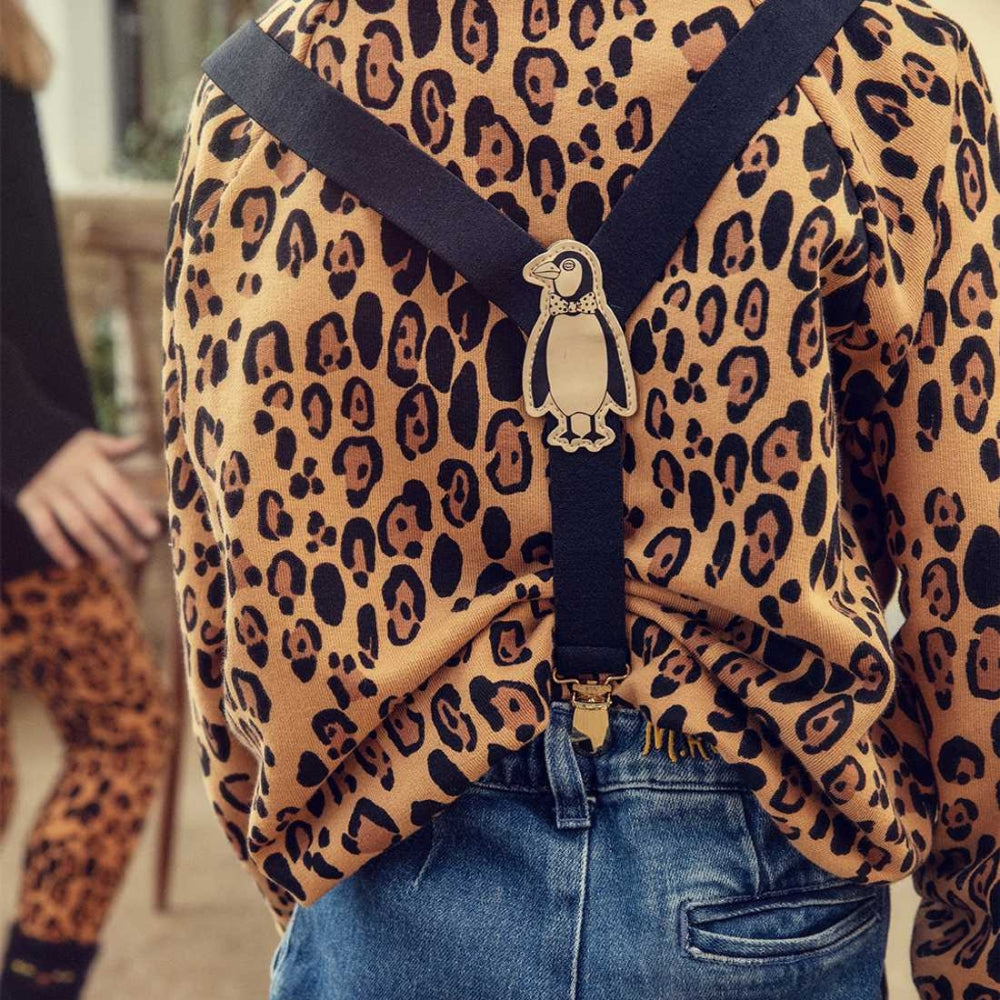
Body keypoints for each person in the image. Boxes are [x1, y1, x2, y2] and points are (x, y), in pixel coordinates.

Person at [161, 0, 999, 997]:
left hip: (391, 851)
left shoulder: (259, 91)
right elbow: (970, 552)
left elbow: (215, 548)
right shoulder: (879, 63)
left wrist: (299, 840)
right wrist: (972, 942)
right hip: (756, 840)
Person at [0, 2, 174, 997]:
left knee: (112, 735)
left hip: (36, 475)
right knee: (123, 731)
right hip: (19, 476)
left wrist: (67, 437)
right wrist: (29, 437)